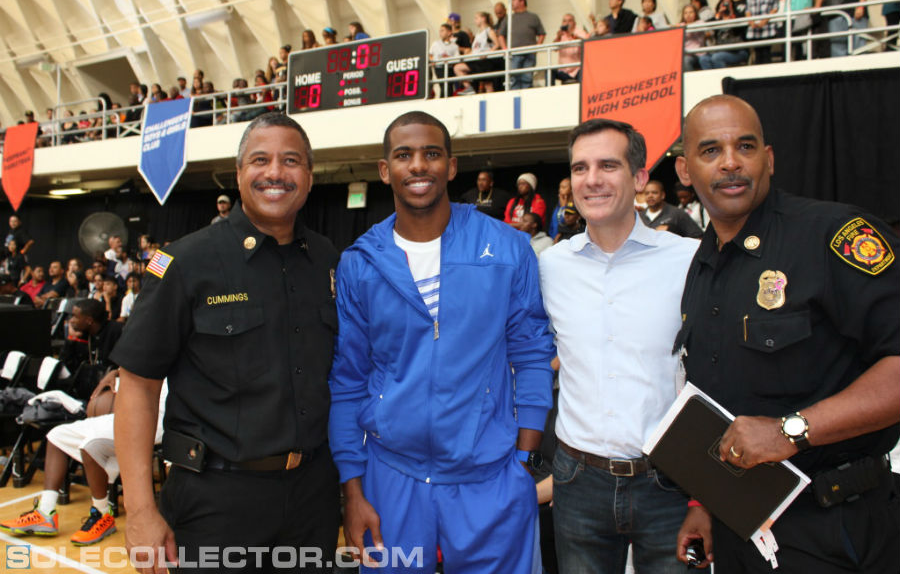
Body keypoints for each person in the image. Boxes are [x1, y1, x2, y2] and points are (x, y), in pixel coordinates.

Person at [673, 95, 899, 573]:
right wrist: (704, 506)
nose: (730, 162)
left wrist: (791, 430)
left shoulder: (831, 234)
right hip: (743, 529)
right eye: (710, 150)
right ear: (685, 171)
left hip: (834, 526)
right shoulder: (703, 264)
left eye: (746, 147)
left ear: (768, 160)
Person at [111, 112, 341, 573]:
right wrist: (139, 511)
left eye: (291, 161)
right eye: (261, 160)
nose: (275, 172)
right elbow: (137, 386)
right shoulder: (183, 262)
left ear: (310, 178)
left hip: (313, 497)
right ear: (239, 174)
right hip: (216, 502)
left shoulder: (329, 261)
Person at [329, 110, 554, 573]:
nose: (418, 166)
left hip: (489, 476)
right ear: (384, 170)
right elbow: (348, 380)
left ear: (451, 167)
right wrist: (353, 486)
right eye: (403, 155)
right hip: (391, 475)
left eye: (431, 154)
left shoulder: (508, 248)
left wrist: (524, 459)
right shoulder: (361, 262)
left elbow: (531, 353)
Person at [539, 118, 699, 574]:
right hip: (577, 482)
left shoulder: (687, 260)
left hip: (668, 481)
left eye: (608, 165)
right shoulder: (551, 267)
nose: (591, 179)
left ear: (641, 177)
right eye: (580, 168)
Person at [0, 299, 149, 546]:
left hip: (153, 416)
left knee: (91, 443)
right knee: (57, 434)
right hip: (125, 412)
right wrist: (114, 373)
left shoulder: (172, 344)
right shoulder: (143, 341)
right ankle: (46, 513)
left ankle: (102, 514)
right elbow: (128, 367)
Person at [699, 0, 751, 70]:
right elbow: (709, 23)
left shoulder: (746, 3)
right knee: (704, 59)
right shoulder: (721, 8)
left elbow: (743, 26)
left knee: (717, 58)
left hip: (738, 48)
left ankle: (724, 81)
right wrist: (719, 15)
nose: (725, 6)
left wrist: (731, 14)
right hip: (720, 47)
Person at [497, 0, 546, 90]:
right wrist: (505, 49)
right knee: (514, 78)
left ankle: (525, 97)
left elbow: (542, 33)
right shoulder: (508, 18)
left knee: (527, 78)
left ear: (522, 1)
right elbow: (500, 35)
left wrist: (536, 48)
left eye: (514, 0)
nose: (511, 3)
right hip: (514, 54)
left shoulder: (533, 17)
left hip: (529, 53)